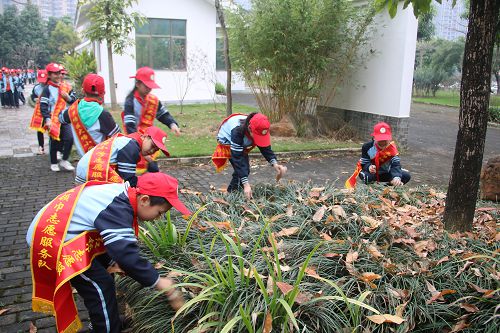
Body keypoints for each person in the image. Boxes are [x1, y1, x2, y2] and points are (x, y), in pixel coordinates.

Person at [26, 172, 189, 333]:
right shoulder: (117, 207)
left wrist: (112, 261)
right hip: (55, 240)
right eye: (159, 212)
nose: (158, 218)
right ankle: (107, 328)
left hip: (68, 233)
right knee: (101, 285)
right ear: (144, 200)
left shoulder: (124, 194)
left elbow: (113, 245)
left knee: (105, 273)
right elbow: (126, 256)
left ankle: (105, 321)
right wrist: (161, 283)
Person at [212, 112, 287, 199]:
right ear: (249, 128)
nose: (259, 139)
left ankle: (234, 191)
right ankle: (230, 194)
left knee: (243, 171)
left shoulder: (260, 126)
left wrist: (275, 164)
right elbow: (238, 160)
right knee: (242, 169)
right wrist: (246, 184)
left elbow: (265, 148)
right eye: (257, 136)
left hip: (243, 138)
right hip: (227, 140)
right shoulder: (237, 131)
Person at [75, 125, 169, 185]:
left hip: (87, 167)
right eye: (152, 146)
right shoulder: (131, 148)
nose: (152, 151)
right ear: (144, 137)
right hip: (90, 171)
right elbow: (128, 180)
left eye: (156, 150)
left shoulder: (131, 141)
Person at [59, 73, 120, 156]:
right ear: (103, 93)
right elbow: (118, 137)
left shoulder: (72, 110)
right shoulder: (103, 114)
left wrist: (69, 101)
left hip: (82, 163)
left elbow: (61, 118)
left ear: (83, 91)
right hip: (99, 163)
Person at [345, 122, 411, 188]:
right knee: (366, 177)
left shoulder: (392, 149)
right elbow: (364, 164)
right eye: (380, 139)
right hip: (372, 174)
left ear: (390, 138)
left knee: (406, 175)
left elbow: (396, 165)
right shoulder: (367, 147)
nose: (382, 142)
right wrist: (369, 167)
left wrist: (396, 177)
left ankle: (390, 184)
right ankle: (375, 185)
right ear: (374, 138)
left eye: (385, 140)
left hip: (386, 173)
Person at [40, 63, 77, 172]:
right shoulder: (47, 89)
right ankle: (53, 162)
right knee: (54, 141)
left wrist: (68, 98)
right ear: (50, 75)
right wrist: (47, 119)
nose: (58, 76)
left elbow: (74, 100)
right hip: (53, 120)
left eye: (59, 73)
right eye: (55, 74)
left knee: (70, 138)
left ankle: (65, 159)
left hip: (64, 118)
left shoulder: (66, 87)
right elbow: (43, 105)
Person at [29, 70, 49, 155]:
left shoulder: (51, 87)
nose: (42, 83)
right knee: (39, 130)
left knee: (52, 130)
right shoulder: (36, 87)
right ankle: (41, 147)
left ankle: (56, 148)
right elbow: (32, 96)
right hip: (40, 112)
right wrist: (35, 99)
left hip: (50, 111)